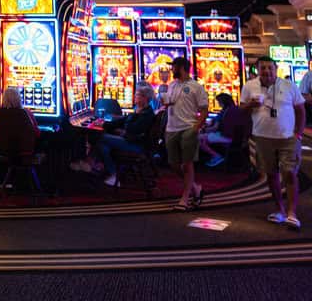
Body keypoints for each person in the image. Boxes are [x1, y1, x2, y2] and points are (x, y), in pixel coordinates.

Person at [242, 56, 305, 229]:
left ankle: (292, 213)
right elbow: (241, 109)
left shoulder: (288, 85)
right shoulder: (249, 86)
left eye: (270, 68)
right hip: (262, 137)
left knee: (289, 172)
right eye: (263, 68)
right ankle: (280, 210)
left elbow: (300, 109)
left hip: (287, 138)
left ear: (276, 69)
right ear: (257, 70)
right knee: (270, 175)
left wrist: (298, 134)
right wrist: (250, 104)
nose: (267, 71)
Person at [162, 56, 207, 211]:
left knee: (187, 164)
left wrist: (196, 128)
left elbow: (204, 109)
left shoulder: (196, 87)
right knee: (173, 164)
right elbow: (168, 102)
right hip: (171, 128)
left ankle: (185, 199)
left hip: (188, 127)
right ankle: (195, 188)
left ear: (181, 67)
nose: (171, 69)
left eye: (173, 66)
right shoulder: (172, 85)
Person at [91, 84, 156, 187]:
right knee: (103, 145)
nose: (134, 97)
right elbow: (122, 121)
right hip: (131, 140)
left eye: (137, 95)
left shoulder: (147, 114)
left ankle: (106, 169)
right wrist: (103, 124)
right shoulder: (141, 111)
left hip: (136, 145)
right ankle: (107, 170)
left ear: (145, 98)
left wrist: (134, 114)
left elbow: (131, 128)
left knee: (100, 137)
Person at [197, 93, 246, 167]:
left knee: (197, 138)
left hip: (227, 138)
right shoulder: (236, 109)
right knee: (203, 139)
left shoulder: (224, 112)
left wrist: (203, 129)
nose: (218, 104)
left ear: (223, 102)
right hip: (238, 139)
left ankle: (216, 156)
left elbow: (214, 128)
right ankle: (214, 157)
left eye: (218, 102)